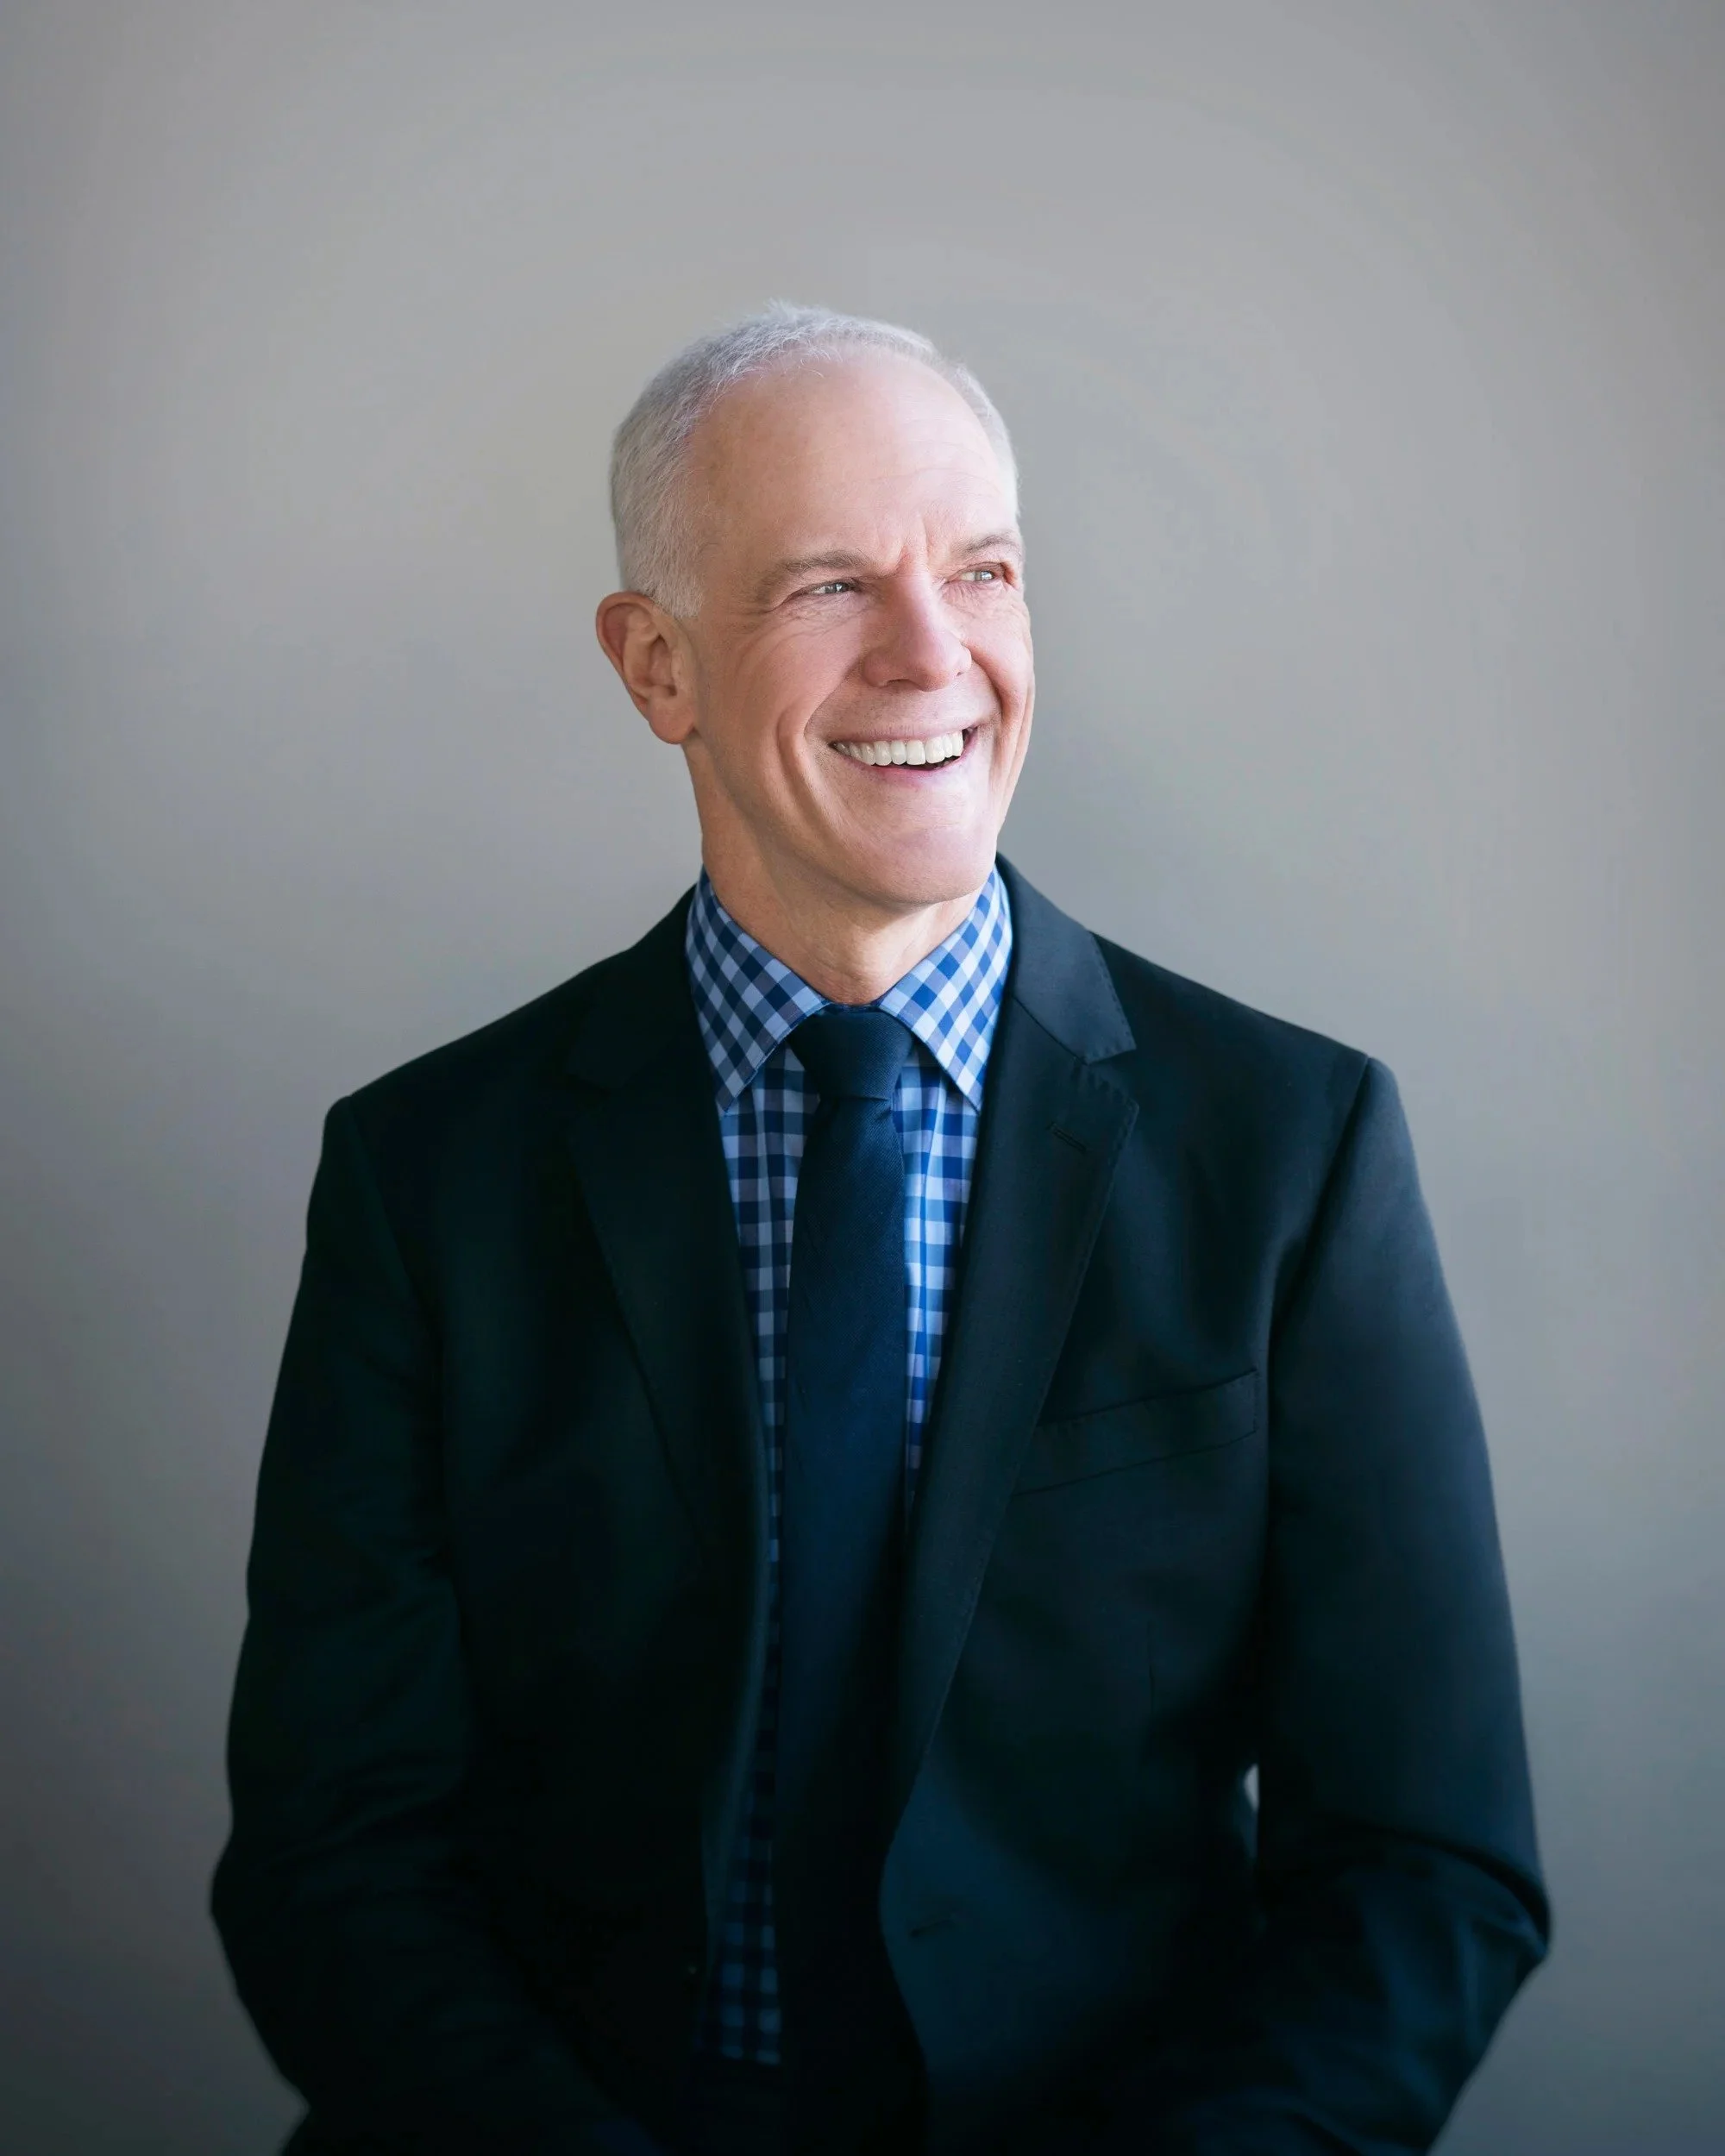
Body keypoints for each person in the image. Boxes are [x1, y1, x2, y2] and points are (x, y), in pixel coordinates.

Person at [212, 304, 1548, 2156]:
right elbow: (333, 1847)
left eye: (983, 571)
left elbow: (1423, 1866)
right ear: (654, 664)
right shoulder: (429, 1173)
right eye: (830, 585)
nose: (937, 655)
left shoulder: (1292, 1150)